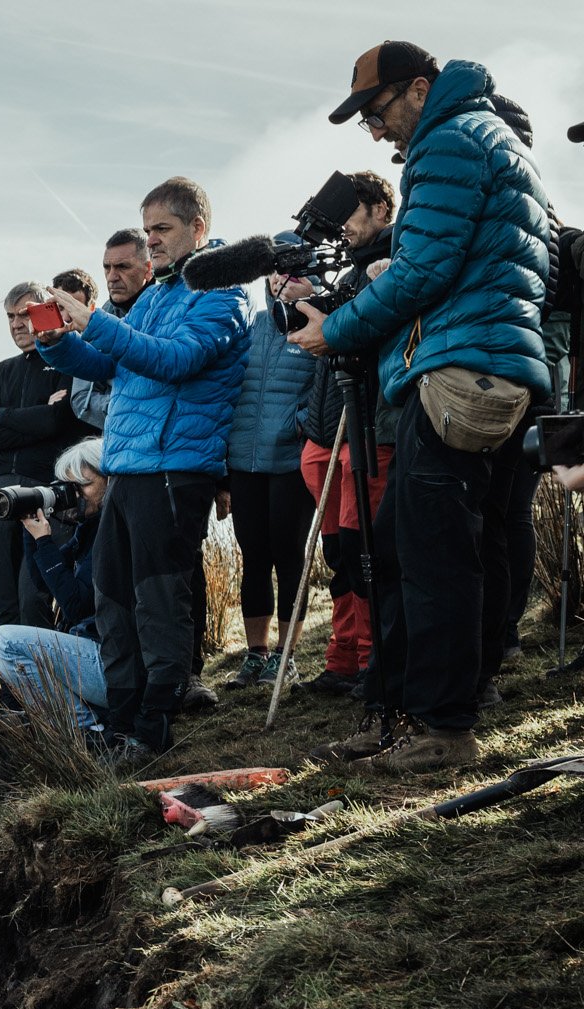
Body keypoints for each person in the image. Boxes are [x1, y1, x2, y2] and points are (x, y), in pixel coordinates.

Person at [296, 43, 552, 773]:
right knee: (466, 544)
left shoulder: (448, 140)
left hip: (456, 372)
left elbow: (424, 270)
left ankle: (441, 727)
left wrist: (335, 328)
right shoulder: (493, 138)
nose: (375, 133)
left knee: (427, 554)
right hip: (501, 369)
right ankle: (421, 708)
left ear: (418, 88)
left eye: (377, 114)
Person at [40, 176, 252, 760]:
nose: (152, 240)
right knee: (112, 594)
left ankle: (157, 723)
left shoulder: (223, 294)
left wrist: (97, 322)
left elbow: (177, 361)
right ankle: (126, 718)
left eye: (162, 229)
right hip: (129, 464)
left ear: (197, 229)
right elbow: (108, 359)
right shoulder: (158, 292)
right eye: (149, 229)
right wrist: (56, 341)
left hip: (175, 466)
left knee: (158, 599)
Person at [296, 170, 399, 696]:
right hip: (325, 426)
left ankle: (372, 660)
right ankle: (343, 657)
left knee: (366, 551)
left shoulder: (396, 260)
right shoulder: (345, 273)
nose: (343, 226)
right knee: (340, 556)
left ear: (382, 209)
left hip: (369, 426)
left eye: (353, 212)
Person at [221, 271, 318, 690]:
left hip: (290, 463)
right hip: (243, 463)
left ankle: (287, 656)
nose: (282, 281)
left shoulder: (319, 325)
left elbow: (325, 390)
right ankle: (256, 656)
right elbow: (225, 388)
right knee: (254, 557)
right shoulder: (248, 326)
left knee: (289, 556)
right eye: (276, 272)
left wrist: (298, 425)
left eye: (294, 273)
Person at [0, 283, 89, 629]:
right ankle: (11, 684)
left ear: (46, 311)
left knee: (33, 594)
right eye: (10, 317)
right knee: (4, 594)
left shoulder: (67, 359)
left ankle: (41, 681)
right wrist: (35, 417)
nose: (16, 324)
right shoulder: (4, 369)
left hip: (45, 492)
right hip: (2, 492)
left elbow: (58, 421)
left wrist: (2, 415)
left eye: (24, 314)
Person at [0, 440, 110, 729]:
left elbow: (78, 606)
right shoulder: (90, 527)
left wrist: (44, 541)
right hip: (93, 655)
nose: (75, 495)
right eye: (70, 487)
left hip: (112, 665)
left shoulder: (110, 531)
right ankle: (86, 720)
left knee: (3, 642)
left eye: (84, 486)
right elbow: (43, 581)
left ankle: (84, 726)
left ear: (110, 478)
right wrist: (33, 532)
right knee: (4, 643)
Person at [68, 230, 151, 433]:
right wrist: (129, 410)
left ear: (148, 270)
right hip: (117, 444)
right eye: (107, 267)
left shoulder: (170, 308)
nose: (112, 277)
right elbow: (82, 399)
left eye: (123, 267)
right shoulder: (101, 316)